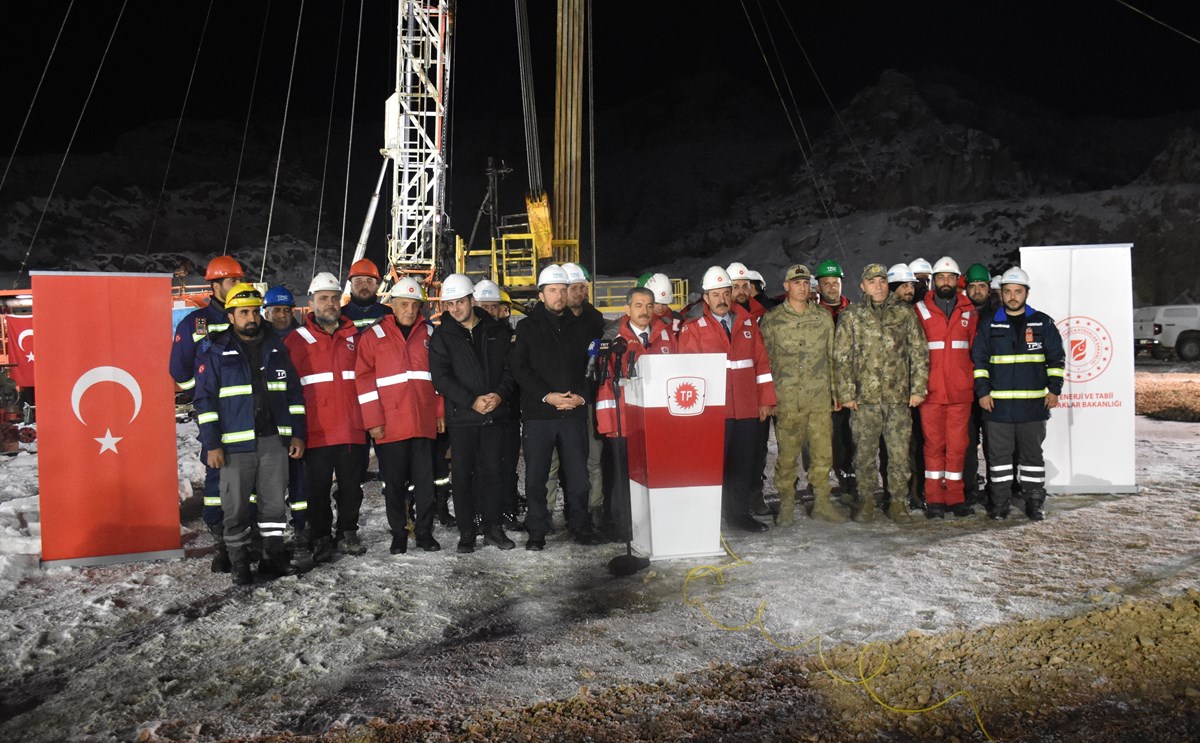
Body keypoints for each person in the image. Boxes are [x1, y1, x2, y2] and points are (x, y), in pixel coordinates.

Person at [194, 284, 306, 585]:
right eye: (244, 312)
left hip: (273, 441)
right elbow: (204, 402)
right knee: (235, 508)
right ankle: (239, 562)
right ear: (231, 316)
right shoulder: (215, 350)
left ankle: (272, 557)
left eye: (255, 311)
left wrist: (297, 435)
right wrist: (212, 444)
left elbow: (293, 395)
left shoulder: (276, 347)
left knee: (272, 507)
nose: (251, 317)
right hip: (234, 446)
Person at [678, 266, 777, 533]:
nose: (722, 299)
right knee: (711, 466)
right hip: (713, 412)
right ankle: (707, 519)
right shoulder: (693, 329)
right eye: (716, 294)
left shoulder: (747, 323)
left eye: (726, 293)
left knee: (743, 465)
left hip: (745, 409)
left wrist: (765, 400)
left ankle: (739, 515)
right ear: (706, 298)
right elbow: (687, 375)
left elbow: (762, 364)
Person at [509, 264, 601, 549]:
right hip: (540, 415)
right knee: (536, 476)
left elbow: (592, 368)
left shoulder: (582, 327)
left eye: (563, 290)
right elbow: (519, 369)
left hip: (572, 412)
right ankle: (537, 529)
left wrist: (582, 397)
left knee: (577, 476)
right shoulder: (527, 327)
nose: (559, 296)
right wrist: (547, 396)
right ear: (541, 294)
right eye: (553, 291)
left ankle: (580, 525)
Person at [283, 272, 368, 568]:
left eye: (334, 298)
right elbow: (289, 389)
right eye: (323, 299)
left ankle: (347, 532)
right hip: (315, 431)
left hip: (351, 428)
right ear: (311, 304)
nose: (330, 304)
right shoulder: (296, 340)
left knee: (351, 488)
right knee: (316, 490)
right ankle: (320, 536)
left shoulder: (356, 337)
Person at [833, 264, 929, 523]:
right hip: (864, 400)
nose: (878, 286)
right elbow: (842, 357)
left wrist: (918, 388)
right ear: (862, 285)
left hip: (898, 399)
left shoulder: (904, 314)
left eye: (882, 281)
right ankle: (865, 501)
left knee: (898, 454)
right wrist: (847, 393)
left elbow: (918, 352)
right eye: (872, 281)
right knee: (864, 454)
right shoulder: (851, 316)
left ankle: (897, 502)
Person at [355, 276, 444, 554]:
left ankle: (424, 532)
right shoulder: (373, 336)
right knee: (393, 485)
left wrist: (439, 412)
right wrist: (373, 421)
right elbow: (364, 381)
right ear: (392, 305)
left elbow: (439, 379)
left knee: (425, 484)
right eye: (403, 304)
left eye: (414, 305)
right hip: (390, 426)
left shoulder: (430, 335)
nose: (408, 310)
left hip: (423, 422)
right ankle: (399, 534)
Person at [429, 273, 517, 553]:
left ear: (471, 300)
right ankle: (467, 532)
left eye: (459, 302)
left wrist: (498, 395)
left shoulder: (496, 330)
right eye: (449, 303)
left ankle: (493, 528)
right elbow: (441, 378)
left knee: (494, 473)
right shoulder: (443, 336)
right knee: (463, 476)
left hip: (494, 415)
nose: (454, 308)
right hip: (463, 419)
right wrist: (471, 402)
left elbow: (509, 369)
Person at [170, 255, 246, 573]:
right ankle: (221, 540)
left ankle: (245, 537)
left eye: (240, 281)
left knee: (247, 477)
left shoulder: (249, 314)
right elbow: (178, 368)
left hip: (245, 411)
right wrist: (201, 392)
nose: (238, 287)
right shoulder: (196, 323)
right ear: (215, 286)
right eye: (232, 282)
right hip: (216, 412)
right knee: (216, 475)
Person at [971, 266, 1065, 521]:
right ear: (1001, 293)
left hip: (1032, 406)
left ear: (1026, 293)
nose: (1013, 296)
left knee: (1032, 459)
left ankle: (1035, 502)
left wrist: (1054, 390)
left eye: (1018, 291)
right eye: (1008, 291)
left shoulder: (1043, 323)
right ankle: (999, 504)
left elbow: (1056, 360)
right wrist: (983, 393)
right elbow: (979, 362)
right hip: (997, 407)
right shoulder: (989, 324)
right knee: (998, 460)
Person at [760, 265, 847, 526]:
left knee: (822, 456)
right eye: (795, 282)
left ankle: (822, 502)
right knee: (787, 456)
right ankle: (787, 504)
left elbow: (832, 356)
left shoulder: (822, 317)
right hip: (787, 400)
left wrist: (835, 391)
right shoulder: (772, 319)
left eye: (805, 283)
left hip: (819, 398)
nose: (801, 287)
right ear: (786, 286)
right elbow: (764, 361)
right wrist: (767, 397)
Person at [595, 286, 678, 538]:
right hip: (623, 421)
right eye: (639, 305)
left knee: (654, 474)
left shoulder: (665, 335)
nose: (644, 311)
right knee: (622, 479)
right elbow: (605, 385)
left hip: (656, 422)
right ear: (627, 308)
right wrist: (609, 423)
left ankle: (656, 522)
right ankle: (623, 527)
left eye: (649, 306)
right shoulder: (612, 338)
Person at [915, 257, 979, 519]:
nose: (945, 282)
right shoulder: (920, 310)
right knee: (933, 446)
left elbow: (976, 349)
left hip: (960, 393)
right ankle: (934, 499)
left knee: (957, 446)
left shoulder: (969, 311)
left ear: (957, 281)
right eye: (941, 278)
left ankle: (955, 497)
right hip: (930, 392)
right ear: (933, 280)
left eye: (950, 278)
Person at [557, 262, 607, 530]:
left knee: (593, 458)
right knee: (565, 460)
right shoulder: (556, 320)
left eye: (582, 288)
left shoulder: (595, 319)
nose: (579, 292)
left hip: (589, 397)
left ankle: (594, 507)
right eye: (574, 288)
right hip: (562, 399)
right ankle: (570, 506)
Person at [473, 279, 523, 528]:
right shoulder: (469, 338)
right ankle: (482, 514)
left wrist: (503, 396)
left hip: (508, 411)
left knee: (508, 465)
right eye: (486, 306)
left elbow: (515, 372)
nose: (491, 312)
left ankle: (508, 510)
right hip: (479, 412)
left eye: (496, 307)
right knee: (482, 468)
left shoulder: (510, 337)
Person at [814, 258, 855, 498]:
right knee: (818, 441)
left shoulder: (854, 313)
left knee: (846, 439)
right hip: (819, 389)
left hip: (847, 388)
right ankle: (818, 484)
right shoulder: (813, 314)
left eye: (835, 283)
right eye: (826, 283)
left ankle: (848, 480)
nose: (831, 287)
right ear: (818, 286)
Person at [962, 262, 993, 506]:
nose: (977, 291)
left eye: (981, 286)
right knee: (968, 442)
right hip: (967, 389)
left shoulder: (999, 314)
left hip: (994, 388)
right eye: (972, 286)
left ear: (989, 288)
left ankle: (998, 487)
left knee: (996, 444)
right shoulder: (960, 311)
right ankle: (970, 487)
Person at [342, 258, 391, 330]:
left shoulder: (389, 315)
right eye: (358, 281)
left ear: (376, 286)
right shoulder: (339, 317)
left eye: (369, 281)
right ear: (351, 286)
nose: (364, 286)